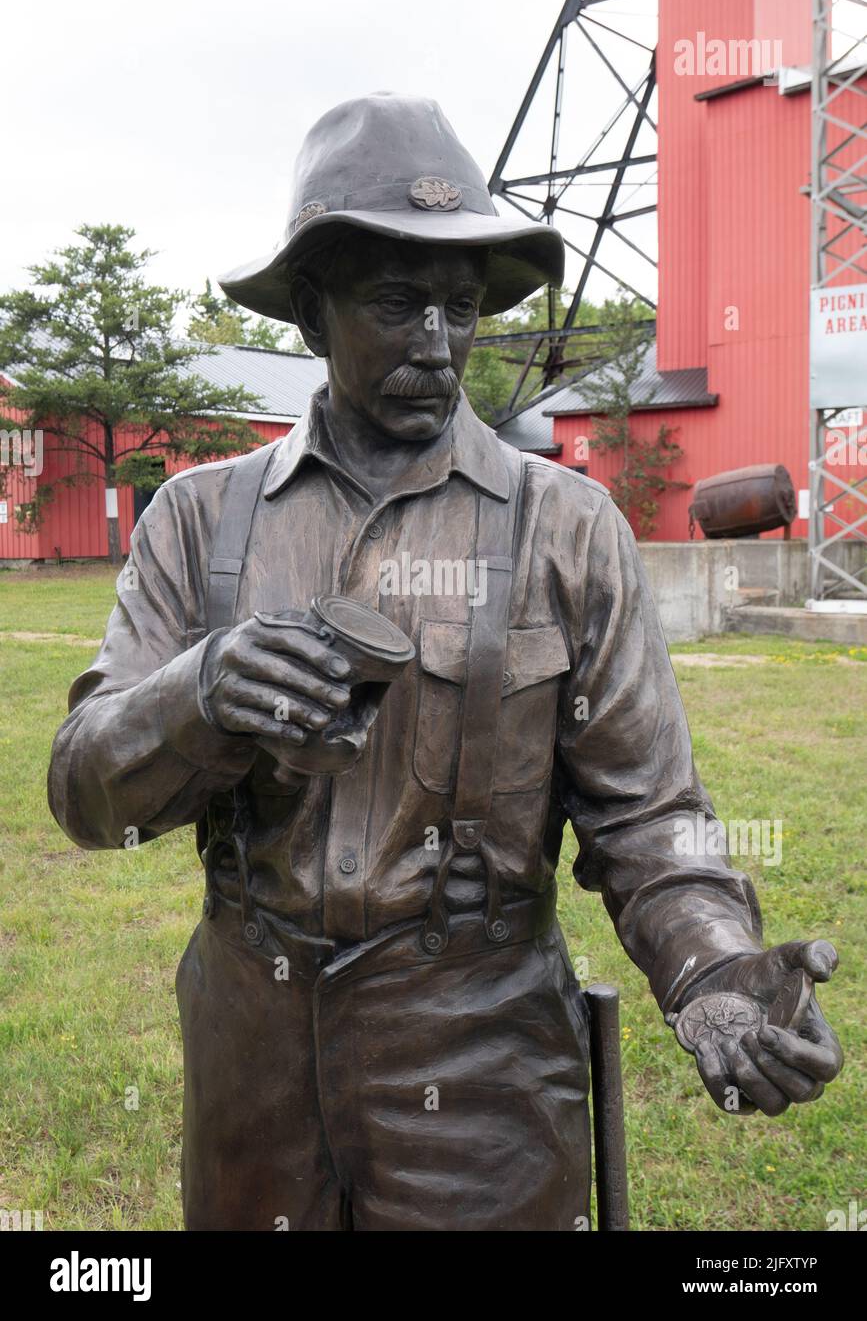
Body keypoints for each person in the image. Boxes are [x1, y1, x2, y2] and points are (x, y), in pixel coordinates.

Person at [49, 93, 842, 1231]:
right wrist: (201, 693)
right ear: (314, 313)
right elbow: (86, 795)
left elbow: (652, 815)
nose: (436, 342)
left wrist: (714, 974)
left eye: (461, 310)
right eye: (395, 303)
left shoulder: (568, 528)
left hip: (484, 1069)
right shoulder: (197, 520)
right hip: (253, 1065)